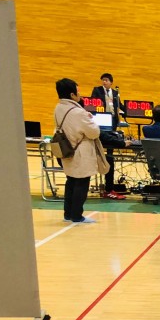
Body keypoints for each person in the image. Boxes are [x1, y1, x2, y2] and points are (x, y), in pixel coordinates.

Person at [54, 78, 109, 224]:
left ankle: (68, 214)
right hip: (80, 151)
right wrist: (90, 119)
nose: (80, 94)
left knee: (71, 181)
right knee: (82, 182)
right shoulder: (79, 112)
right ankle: (77, 215)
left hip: (67, 149)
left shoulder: (58, 108)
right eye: (78, 91)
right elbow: (94, 133)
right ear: (72, 95)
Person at [90, 73, 126, 199]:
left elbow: (119, 105)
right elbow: (93, 103)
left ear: (111, 82)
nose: (104, 82)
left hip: (113, 119)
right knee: (103, 138)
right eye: (103, 80)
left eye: (106, 80)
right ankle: (102, 154)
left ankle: (109, 154)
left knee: (112, 140)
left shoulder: (115, 93)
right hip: (101, 119)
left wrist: (125, 110)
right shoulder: (97, 90)